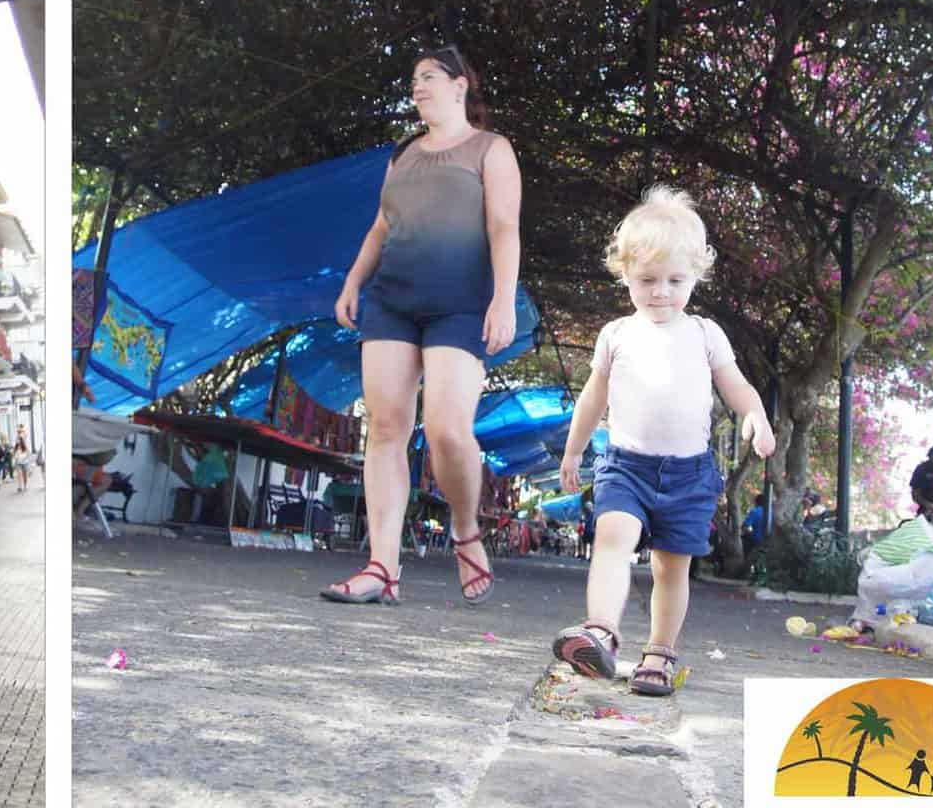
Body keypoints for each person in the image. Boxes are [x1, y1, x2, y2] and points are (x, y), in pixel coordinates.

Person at [549, 186, 777, 696]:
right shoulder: (616, 334)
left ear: (696, 276)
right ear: (624, 272)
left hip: (688, 473)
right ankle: (601, 632)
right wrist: (573, 450)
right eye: (647, 280)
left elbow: (735, 385)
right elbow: (592, 398)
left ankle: (659, 653)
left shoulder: (705, 334)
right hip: (625, 465)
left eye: (675, 281)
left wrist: (756, 415)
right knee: (612, 539)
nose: (660, 293)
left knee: (672, 568)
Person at [321, 43, 522, 607]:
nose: (418, 87)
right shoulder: (402, 153)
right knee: (384, 429)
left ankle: (465, 526)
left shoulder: (491, 149)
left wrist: (502, 299)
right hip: (391, 300)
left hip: (460, 302)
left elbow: (504, 227)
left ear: (460, 85)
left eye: (429, 77)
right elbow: (381, 226)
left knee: (447, 431)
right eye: (414, 80)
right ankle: (382, 567)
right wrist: (353, 282)